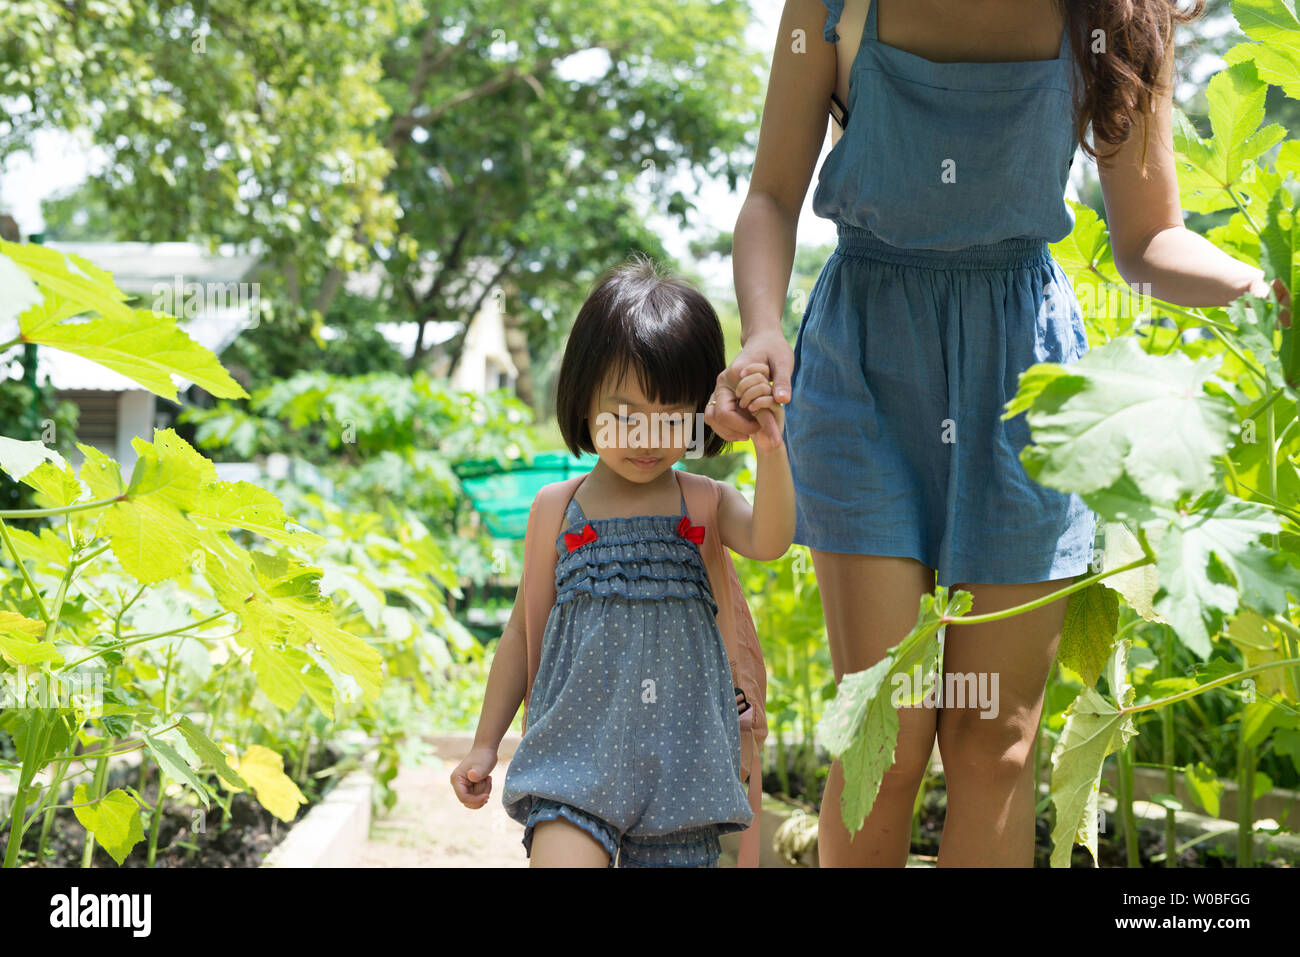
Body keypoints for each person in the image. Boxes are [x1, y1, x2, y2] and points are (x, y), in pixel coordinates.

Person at [709, 0, 1291, 867]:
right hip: (866, 364)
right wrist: (762, 327)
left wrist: (1262, 289)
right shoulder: (831, 10)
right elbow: (770, 196)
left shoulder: (1124, 19)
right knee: (887, 734)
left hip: (1028, 382)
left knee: (998, 744)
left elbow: (1151, 238)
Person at [450, 254, 796, 867]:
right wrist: (485, 745)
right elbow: (520, 635)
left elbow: (770, 540)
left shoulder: (706, 503)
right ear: (582, 399)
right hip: (572, 766)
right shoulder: (556, 511)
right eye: (624, 413)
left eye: (671, 417)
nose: (647, 436)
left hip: (683, 775)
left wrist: (771, 450)